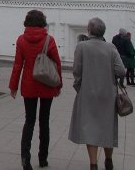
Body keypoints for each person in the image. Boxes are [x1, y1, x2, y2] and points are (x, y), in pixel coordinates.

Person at [69, 17, 126, 170]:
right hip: (108, 94)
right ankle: (108, 160)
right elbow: (121, 70)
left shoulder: (82, 47)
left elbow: (76, 71)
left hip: (87, 93)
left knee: (89, 128)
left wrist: (78, 86)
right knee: (107, 127)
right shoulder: (111, 48)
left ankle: (93, 164)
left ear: (89, 30)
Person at [9, 9, 63, 170]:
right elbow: (57, 63)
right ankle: (43, 158)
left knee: (29, 121)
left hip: (29, 84)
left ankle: (25, 158)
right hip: (46, 84)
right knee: (44, 121)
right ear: (42, 22)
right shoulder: (49, 40)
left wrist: (13, 86)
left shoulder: (21, 40)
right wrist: (58, 85)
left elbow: (18, 64)